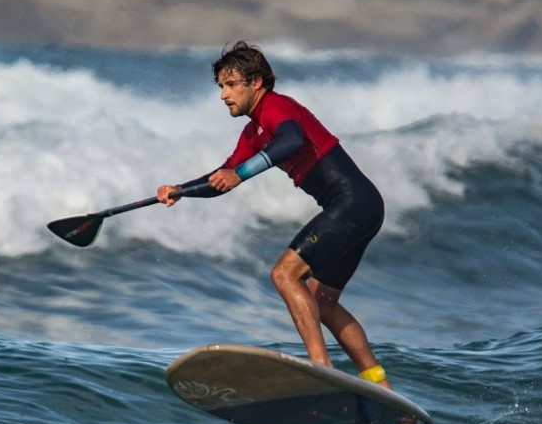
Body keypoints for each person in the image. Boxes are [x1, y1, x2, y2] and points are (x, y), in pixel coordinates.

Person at [156, 41, 391, 389]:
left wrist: (242, 173)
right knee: (323, 302)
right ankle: (378, 383)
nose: (223, 95)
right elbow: (223, 176)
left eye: (231, 84)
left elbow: (291, 141)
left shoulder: (276, 108)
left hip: (352, 203)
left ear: (255, 83)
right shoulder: (253, 133)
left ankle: (321, 369)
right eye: (220, 87)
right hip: (363, 206)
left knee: (284, 274)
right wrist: (181, 190)